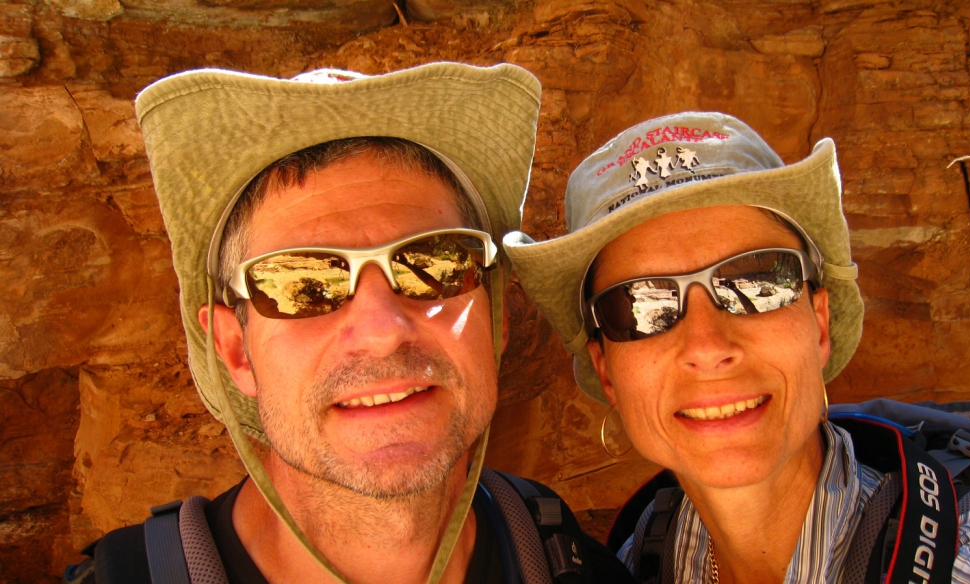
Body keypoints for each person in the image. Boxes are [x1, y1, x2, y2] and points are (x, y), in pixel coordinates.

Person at [65, 63, 634, 584]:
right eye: (303, 283)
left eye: (434, 264)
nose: (383, 328)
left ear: (495, 318)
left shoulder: (570, 562)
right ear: (236, 351)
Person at [503, 111, 970, 583]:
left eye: (757, 283)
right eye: (643, 307)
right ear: (608, 371)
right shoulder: (642, 557)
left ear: (820, 323)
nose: (708, 345)